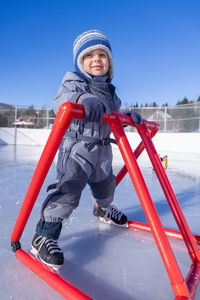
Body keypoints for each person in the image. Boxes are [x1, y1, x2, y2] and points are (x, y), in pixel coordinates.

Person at [31, 30, 142, 269]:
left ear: (109, 63)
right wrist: (82, 99)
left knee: (106, 189)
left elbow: (115, 115)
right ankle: (43, 237)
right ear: (80, 62)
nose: (96, 59)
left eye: (102, 54)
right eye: (89, 55)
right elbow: (63, 99)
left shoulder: (111, 93)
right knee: (67, 194)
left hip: (102, 153)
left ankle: (102, 211)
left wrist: (127, 117)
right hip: (78, 152)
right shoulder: (73, 81)